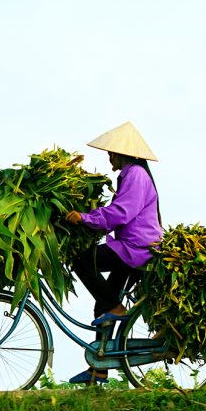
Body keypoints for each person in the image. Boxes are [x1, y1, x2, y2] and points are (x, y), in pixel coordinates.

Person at [64, 121, 162, 384]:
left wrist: (85, 218)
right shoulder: (132, 174)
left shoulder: (136, 175)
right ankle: (100, 368)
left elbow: (121, 212)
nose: (109, 157)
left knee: (82, 260)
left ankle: (117, 308)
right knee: (102, 302)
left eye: (111, 153)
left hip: (136, 249)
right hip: (131, 247)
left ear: (122, 153)